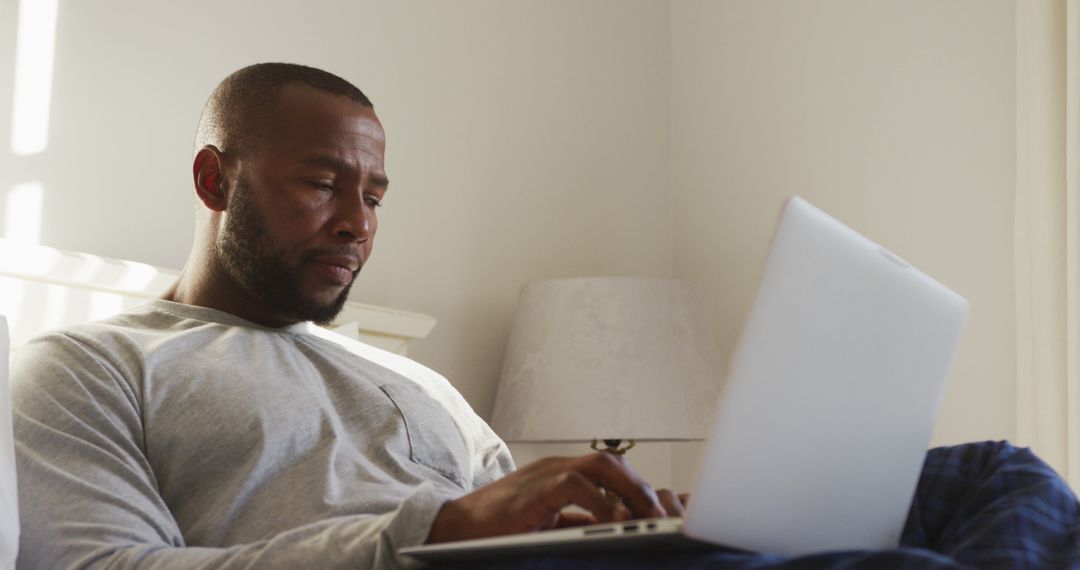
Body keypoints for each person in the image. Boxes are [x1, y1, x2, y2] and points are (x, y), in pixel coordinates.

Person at [10, 63, 1080, 570]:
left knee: (998, 477)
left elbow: (506, 524)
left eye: (375, 195)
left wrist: (616, 520)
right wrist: (437, 525)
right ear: (215, 177)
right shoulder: (88, 366)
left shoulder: (414, 381)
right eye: (322, 183)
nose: (356, 221)